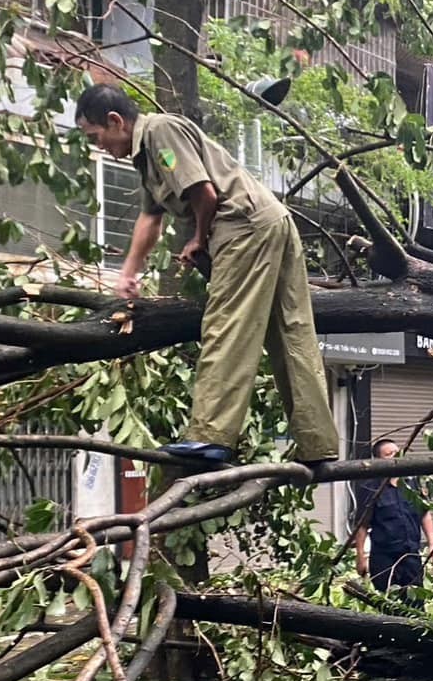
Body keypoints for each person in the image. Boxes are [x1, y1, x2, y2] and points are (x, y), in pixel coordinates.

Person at [76, 84, 340, 469]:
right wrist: (129, 273)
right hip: (268, 219)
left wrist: (200, 237)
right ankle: (318, 443)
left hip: (243, 224)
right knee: (290, 330)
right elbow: (150, 218)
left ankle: (211, 436)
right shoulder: (148, 155)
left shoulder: (160, 134)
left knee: (227, 324)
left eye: (94, 136)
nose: (98, 146)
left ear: (115, 122)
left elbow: (205, 194)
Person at [352, 439, 433, 601]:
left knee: (415, 604)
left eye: (396, 453)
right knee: (388, 603)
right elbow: (362, 525)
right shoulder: (371, 488)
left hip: (411, 555)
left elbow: (425, 514)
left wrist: (432, 544)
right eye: (388, 454)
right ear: (378, 460)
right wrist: (360, 556)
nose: (394, 457)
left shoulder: (412, 483)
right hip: (384, 557)